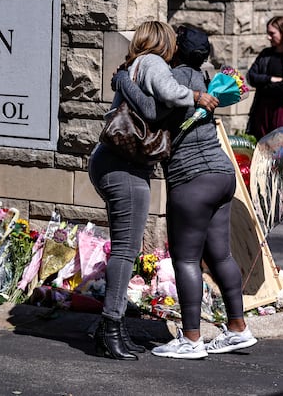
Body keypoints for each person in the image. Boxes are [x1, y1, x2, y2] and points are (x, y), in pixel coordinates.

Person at [115, 25, 258, 360]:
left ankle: (191, 339)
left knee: (186, 258)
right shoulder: (208, 80)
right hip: (223, 173)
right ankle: (238, 329)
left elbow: (152, 112)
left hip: (191, 177)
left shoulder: (172, 78)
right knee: (220, 255)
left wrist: (123, 81)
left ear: (177, 49)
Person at [88, 21, 218, 361]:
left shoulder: (135, 66)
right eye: (172, 40)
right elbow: (154, 106)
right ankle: (109, 329)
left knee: (125, 249)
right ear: (164, 42)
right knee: (125, 251)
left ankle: (113, 328)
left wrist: (124, 82)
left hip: (116, 164)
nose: (175, 46)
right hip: (123, 168)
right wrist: (194, 95)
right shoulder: (154, 63)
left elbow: (147, 105)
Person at [246, 16, 283, 139]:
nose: (269, 37)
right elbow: (251, 76)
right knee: (263, 149)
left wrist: (263, 86)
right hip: (263, 110)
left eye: (272, 33)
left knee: (282, 148)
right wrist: (270, 79)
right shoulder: (265, 55)